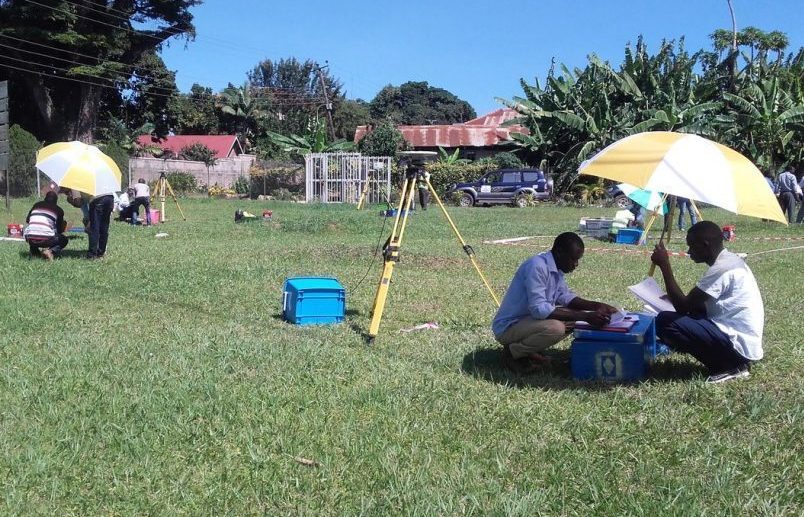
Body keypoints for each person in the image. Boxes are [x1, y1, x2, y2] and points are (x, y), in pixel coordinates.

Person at [650, 221, 764, 383]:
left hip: (737, 348)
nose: (689, 251)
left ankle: (730, 368)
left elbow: (683, 307)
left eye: (691, 246)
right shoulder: (729, 260)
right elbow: (694, 305)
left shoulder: (723, 268)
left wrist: (665, 266)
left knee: (665, 321)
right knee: (692, 313)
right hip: (739, 339)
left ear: (705, 245)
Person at [492, 232, 618, 374]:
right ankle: (512, 353)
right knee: (556, 328)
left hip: (527, 322)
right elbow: (538, 309)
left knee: (573, 322)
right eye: (573, 259)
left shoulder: (555, 268)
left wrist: (596, 306)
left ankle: (527, 351)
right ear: (559, 252)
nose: (576, 264)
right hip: (509, 327)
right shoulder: (537, 267)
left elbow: (564, 296)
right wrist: (585, 316)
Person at [23, 191, 68, 260]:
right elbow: (59, 230)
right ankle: (50, 251)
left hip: (29, 238)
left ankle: (35, 253)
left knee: (34, 233)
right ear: (56, 201)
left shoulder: (36, 205)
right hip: (46, 239)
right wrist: (62, 226)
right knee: (64, 240)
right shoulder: (59, 210)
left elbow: (27, 220)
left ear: (45, 198)